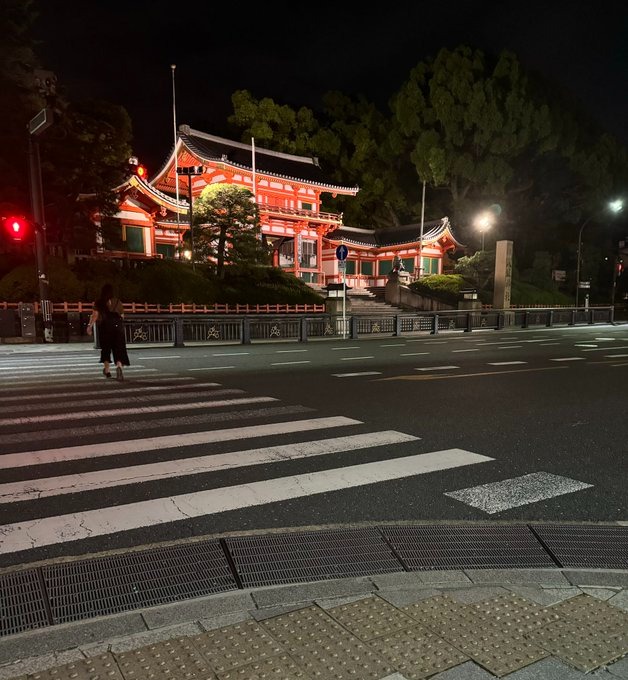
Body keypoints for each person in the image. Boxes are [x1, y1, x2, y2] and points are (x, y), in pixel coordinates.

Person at [87, 283, 130, 381]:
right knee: (118, 348)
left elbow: (95, 315)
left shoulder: (99, 302)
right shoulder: (118, 301)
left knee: (106, 349)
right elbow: (122, 316)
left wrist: (89, 326)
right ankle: (119, 366)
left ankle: (107, 371)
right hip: (117, 328)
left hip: (105, 328)